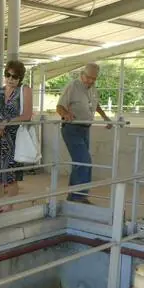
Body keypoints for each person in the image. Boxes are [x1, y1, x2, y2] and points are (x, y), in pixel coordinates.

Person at [56, 63, 113, 204]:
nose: (91, 81)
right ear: (82, 74)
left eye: (94, 79)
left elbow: (95, 104)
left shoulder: (93, 89)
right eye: (88, 78)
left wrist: (105, 117)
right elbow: (59, 106)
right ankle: (78, 196)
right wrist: (66, 114)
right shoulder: (73, 86)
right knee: (84, 161)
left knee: (80, 162)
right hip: (72, 128)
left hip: (85, 128)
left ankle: (74, 196)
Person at [0, 60, 33, 213]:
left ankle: (9, 205)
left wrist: (6, 123)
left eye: (14, 77)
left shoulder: (24, 90)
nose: (10, 79)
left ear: (20, 78)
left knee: (11, 174)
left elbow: (27, 115)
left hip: (14, 138)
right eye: (8, 75)